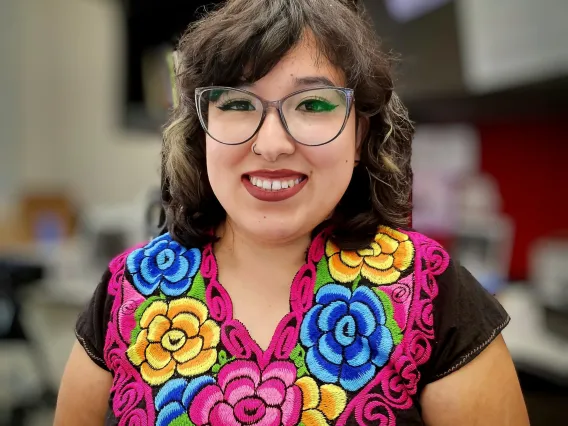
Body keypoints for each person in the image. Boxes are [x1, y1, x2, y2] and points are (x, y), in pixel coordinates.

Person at [54, 0, 529, 425]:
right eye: (238, 103)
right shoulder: (128, 290)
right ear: (201, 135)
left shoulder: (431, 290)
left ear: (361, 135)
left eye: (313, 103)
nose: (272, 144)